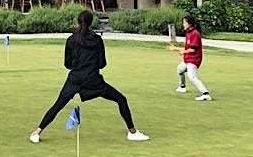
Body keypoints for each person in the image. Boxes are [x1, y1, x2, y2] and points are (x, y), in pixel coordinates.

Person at [30, 9, 149, 143]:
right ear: (91, 22)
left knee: (58, 105)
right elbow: (102, 63)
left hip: (74, 79)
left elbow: (67, 64)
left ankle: (37, 132)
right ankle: (132, 132)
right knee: (121, 99)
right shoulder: (97, 40)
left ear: (78, 22)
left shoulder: (71, 40)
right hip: (93, 80)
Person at [169, 14, 212, 100]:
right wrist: (176, 49)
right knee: (180, 70)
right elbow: (188, 48)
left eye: (184, 23)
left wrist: (183, 51)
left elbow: (193, 49)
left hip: (194, 60)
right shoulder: (188, 33)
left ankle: (205, 94)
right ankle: (182, 87)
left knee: (192, 77)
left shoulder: (195, 33)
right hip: (188, 59)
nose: (183, 24)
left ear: (190, 24)